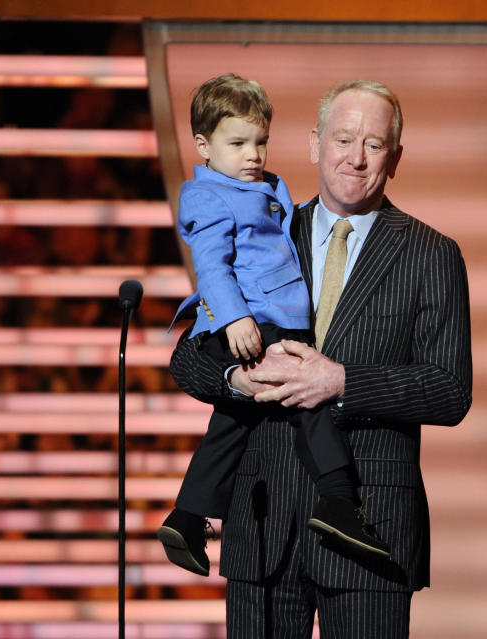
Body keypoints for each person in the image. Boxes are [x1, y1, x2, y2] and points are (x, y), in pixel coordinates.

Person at [169, 79, 472, 638]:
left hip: (368, 527)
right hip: (262, 525)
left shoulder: (432, 254)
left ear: (396, 158)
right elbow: (189, 359)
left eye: (374, 145)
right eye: (342, 139)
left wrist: (342, 381)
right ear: (314, 145)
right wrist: (240, 378)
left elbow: (449, 391)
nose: (356, 158)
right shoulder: (265, 225)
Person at [158, 74, 388, 580]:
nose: (253, 154)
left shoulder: (265, 187)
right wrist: (236, 317)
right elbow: (213, 266)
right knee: (312, 403)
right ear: (203, 145)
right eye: (237, 143)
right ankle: (339, 500)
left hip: (271, 313)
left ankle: (189, 516)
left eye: (260, 142)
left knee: (232, 421)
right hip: (258, 319)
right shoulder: (209, 196)